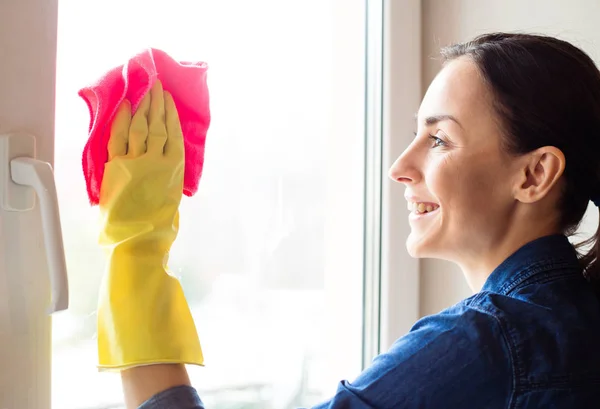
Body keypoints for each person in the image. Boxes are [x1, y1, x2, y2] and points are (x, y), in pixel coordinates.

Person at [98, 32, 600, 409]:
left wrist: (135, 250)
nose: (399, 168)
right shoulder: (574, 318)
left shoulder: (488, 341)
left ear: (535, 174)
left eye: (440, 139)